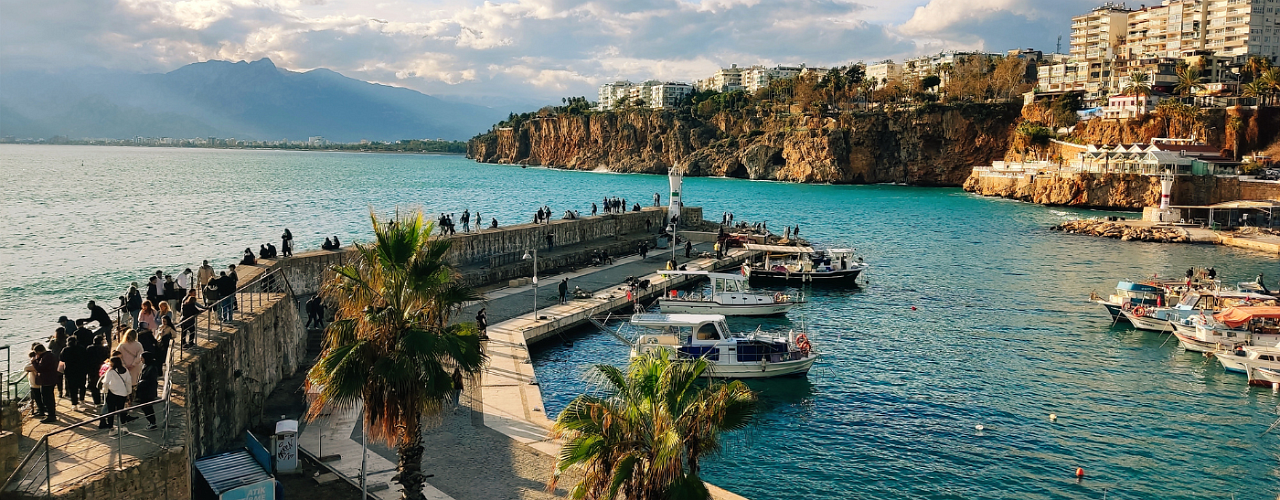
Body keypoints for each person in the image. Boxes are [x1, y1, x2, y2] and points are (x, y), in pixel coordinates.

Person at [98, 356, 134, 430]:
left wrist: (104, 391)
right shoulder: (125, 370)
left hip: (112, 393)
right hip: (123, 393)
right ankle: (123, 426)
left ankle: (111, 427)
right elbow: (128, 382)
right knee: (121, 410)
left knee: (111, 412)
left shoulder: (110, 371)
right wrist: (128, 392)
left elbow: (106, 382)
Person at [33, 344, 59, 423]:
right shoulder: (50, 355)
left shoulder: (45, 357)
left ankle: (51, 416)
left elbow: (40, 369)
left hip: (47, 380)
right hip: (52, 379)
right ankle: (51, 414)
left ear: (39, 352)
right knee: (50, 397)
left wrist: (34, 362)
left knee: (47, 398)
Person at [135, 352, 161, 429]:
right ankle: (151, 422)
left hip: (148, 391)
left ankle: (152, 422)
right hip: (145, 391)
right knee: (145, 407)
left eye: (142, 358)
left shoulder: (152, 368)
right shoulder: (147, 366)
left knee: (147, 407)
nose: (141, 360)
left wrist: (141, 382)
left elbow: (150, 380)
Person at [60, 334, 87, 407]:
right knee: (82, 385)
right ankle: (82, 400)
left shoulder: (65, 350)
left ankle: (74, 403)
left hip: (70, 370)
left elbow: (62, 359)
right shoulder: (81, 348)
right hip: (81, 369)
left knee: (72, 387)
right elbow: (86, 357)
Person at [84, 335, 109, 408]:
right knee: (103, 383)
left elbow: (87, 358)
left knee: (94, 385)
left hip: (92, 368)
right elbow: (106, 357)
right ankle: (104, 399)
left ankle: (96, 401)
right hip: (101, 368)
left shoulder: (89, 348)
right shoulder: (103, 349)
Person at [25, 351, 44, 417]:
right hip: (39, 383)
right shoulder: (39, 363)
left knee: (37, 399)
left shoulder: (34, 365)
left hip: (35, 384)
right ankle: (41, 409)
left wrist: (31, 361)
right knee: (39, 398)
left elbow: (25, 368)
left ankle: (41, 411)